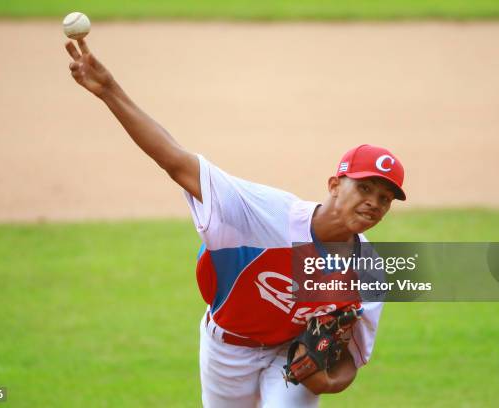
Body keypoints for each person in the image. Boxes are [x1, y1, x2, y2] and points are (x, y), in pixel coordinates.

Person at [64, 38, 406, 407]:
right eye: (365, 187)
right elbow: (177, 162)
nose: (373, 202)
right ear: (335, 185)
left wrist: (327, 381)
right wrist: (109, 91)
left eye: (384, 198)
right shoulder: (265, 212)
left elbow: (350, 359)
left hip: (288, 356)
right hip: (226, 349)